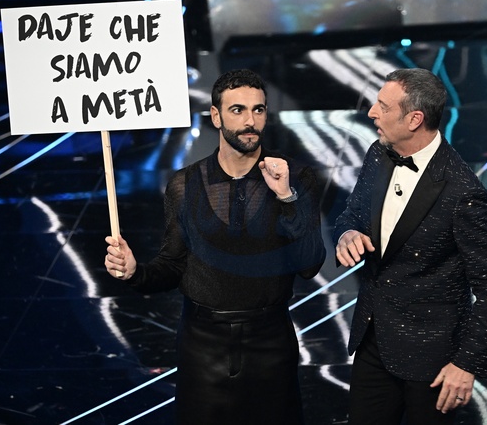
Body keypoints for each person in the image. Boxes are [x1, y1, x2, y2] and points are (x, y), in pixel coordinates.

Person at [104, 68, 326, 425]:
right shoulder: (185, 184)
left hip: (270, 340)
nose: (250, 121)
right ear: (216, 116)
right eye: (238, 110)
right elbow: (172, 264)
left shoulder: (296, 177)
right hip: (202, 344)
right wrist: (135, 273)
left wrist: (286, 197)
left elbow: (309, 264)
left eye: (258, 110)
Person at [333, 68, 487, 425]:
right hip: (373, 340)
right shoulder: (379, 153)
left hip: (432, 360)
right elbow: (351, 213)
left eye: (383, 107)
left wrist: (466, 364)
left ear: (414, 119)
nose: (372, 113)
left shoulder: (462, 192)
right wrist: (347, 233)